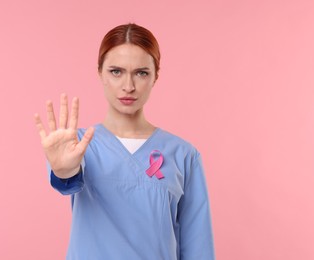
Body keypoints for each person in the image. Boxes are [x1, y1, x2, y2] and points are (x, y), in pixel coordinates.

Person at [34, 23, 215, 260]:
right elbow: (67, 176)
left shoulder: (184, 155)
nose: (128, 86)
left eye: (141, 73)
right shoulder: (77, 145)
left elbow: (198, 248)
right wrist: (64, 171)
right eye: (116, 71)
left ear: (155, 77)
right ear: (100, 73)